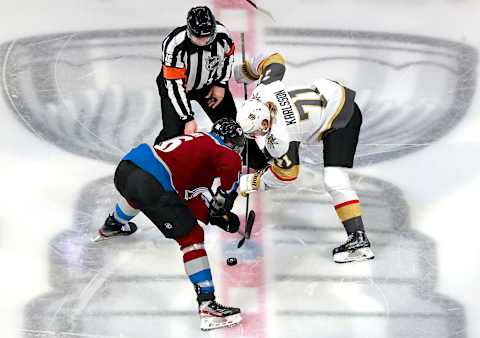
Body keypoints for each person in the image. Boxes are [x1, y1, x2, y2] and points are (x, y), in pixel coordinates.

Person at [95, 118, 246, 331]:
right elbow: (229, 178)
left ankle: (113, 224)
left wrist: (215, 216)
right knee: (192, 236)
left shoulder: (199, 143)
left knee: (143, 196)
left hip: (127, 168)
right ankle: (207, 306)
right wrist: (222, 211)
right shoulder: (225, 152)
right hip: (151, 181)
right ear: (232, 142)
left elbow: (186, 197)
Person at [234, 52, 375, 263]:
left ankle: (359, 240)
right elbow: (275, 60)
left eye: (256, 133)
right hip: (330, 95)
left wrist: (255, 182)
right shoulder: (264, 91)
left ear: (265, 125)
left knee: (334, 179)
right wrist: (248, 70)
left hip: (340, 118)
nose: (256, 137)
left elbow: (288, 174)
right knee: (286, 147)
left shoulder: (280, 136)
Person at [154, 5, 268, 169]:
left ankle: (258, 163)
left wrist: (220, 84)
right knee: (175, 135)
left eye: (207, 37)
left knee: (233, 126)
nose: (202, 41)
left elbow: (227, 59)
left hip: (209, 87)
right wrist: (187, 118)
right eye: (197, 37)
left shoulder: (223, 36)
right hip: (178, 90)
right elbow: (174, 85)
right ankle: (161, 161)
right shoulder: (174, 45)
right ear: (189, 30)